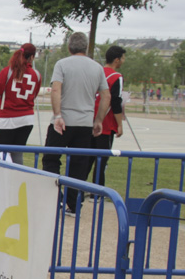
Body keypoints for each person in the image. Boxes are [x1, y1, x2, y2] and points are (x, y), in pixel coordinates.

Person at [42, 32, 110, 215]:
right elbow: (106, 96)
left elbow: (56, 89)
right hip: (85, 122)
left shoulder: (62, 64)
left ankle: (53, 198)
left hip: (63, 120)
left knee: (50, 159)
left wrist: (57, 114)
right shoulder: (97, 68)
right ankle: (73, 204)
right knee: (79, 164)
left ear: (69, 47)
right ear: (86, 48)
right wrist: (98, 120)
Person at [0, 43, 40, 166]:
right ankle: (18, 181)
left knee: (2, 152)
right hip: (27, 119)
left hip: (6, 119)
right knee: (17, 153)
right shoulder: (36, 75)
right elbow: (33, 95)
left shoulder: (8, 72)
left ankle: (6, 179)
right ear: (32, 57)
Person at [88, 45, 127, 187]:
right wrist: (120, 125)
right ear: (117, 60)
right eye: (123, 58)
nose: (124, 61)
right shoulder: (116, 77)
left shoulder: (95, 71)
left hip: (88, 120)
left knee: (87, 158)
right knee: (101, 160)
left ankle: (77, 189)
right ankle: (97, 191)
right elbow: (116, 101)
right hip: (105, 123)